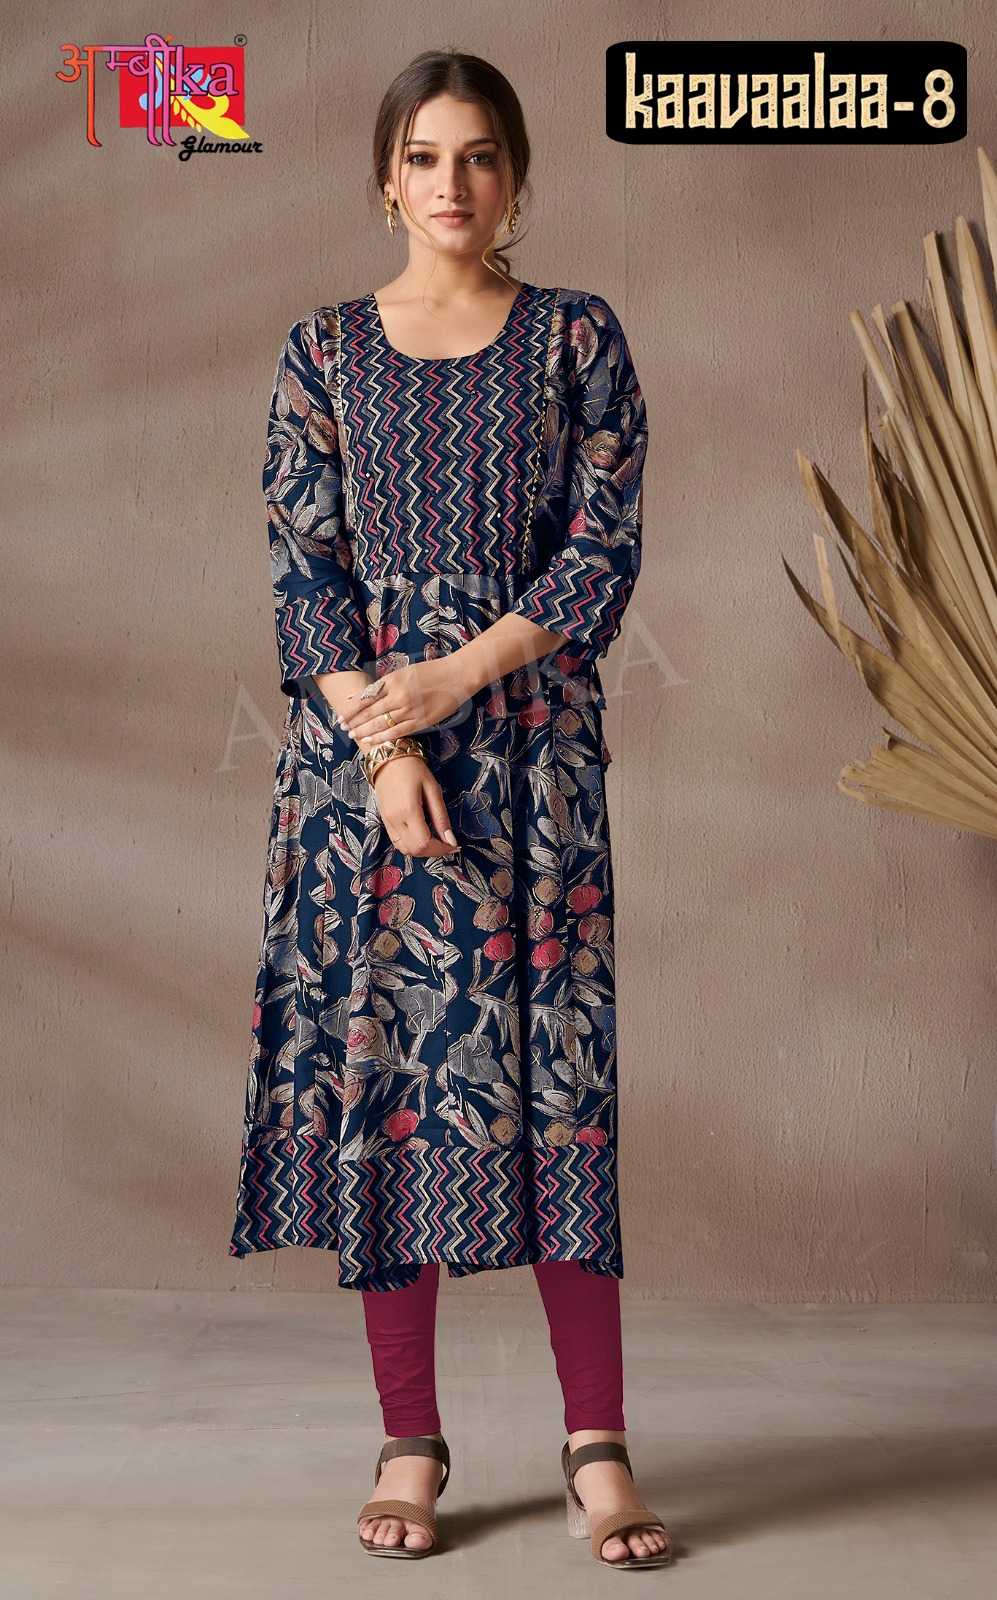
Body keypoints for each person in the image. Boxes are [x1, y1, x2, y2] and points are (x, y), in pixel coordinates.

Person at [229, 49, 672, 1570]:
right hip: (368, 778)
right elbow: (306, 577)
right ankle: (408, 1438)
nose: (452, 184)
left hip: (531, 762)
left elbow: (600, 550)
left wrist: (458, 679)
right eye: (424, 157)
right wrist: (384, 745)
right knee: (390, 1090)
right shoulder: (320, 353)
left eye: (479, 156)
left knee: (557, 1084)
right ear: (386, 177)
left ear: (516, 177)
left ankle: (597, 1444)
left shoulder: (576, 338)